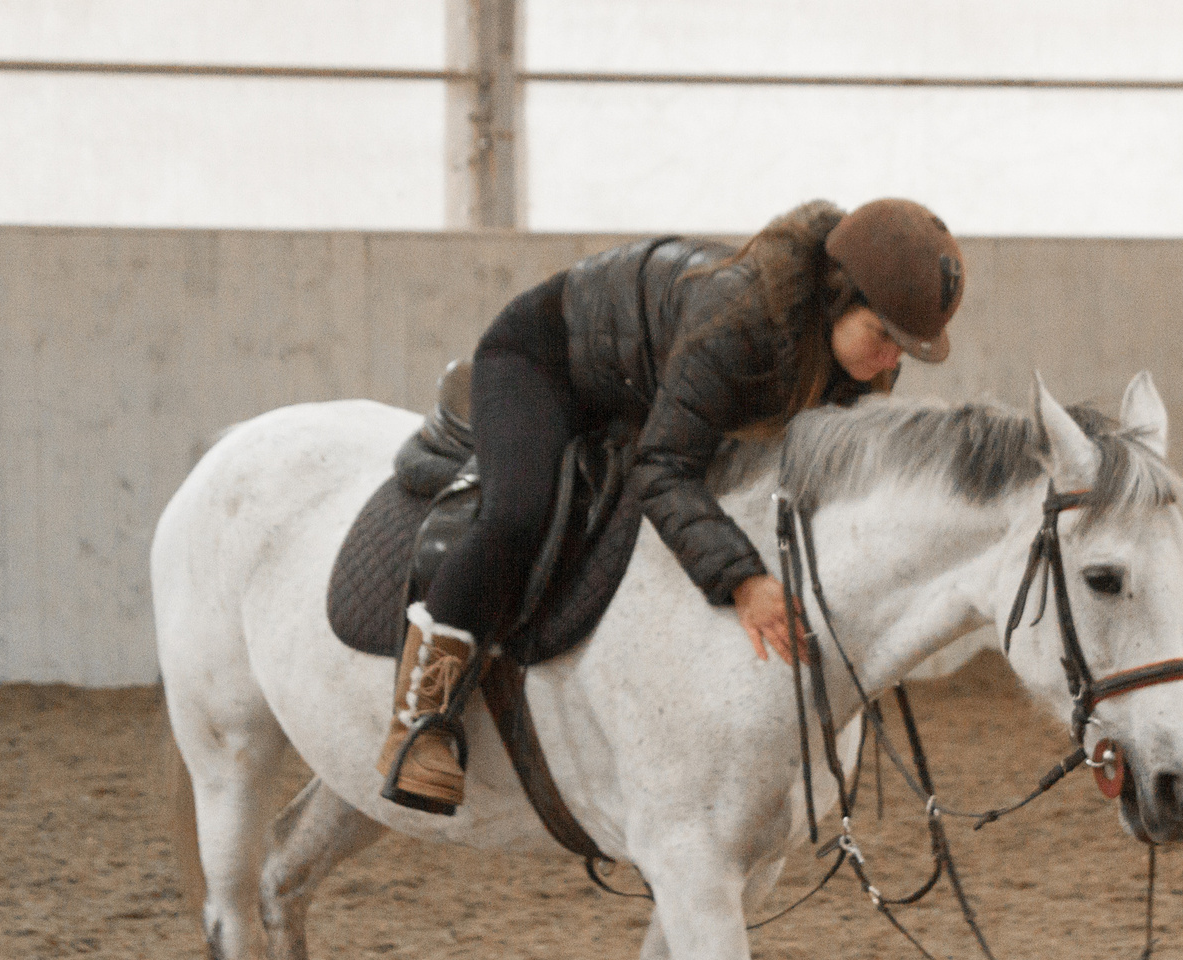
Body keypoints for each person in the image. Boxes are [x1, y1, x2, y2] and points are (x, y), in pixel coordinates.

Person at [379, 198, 966, 813]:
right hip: (542, 361)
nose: (892, 362)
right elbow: (662, 466)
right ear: (839, 297)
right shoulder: (742, 320)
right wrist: (742, 580)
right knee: (517, 517)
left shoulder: (864, 362)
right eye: (883, 337)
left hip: (638, 386)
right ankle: (422, 718)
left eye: (905, 347)